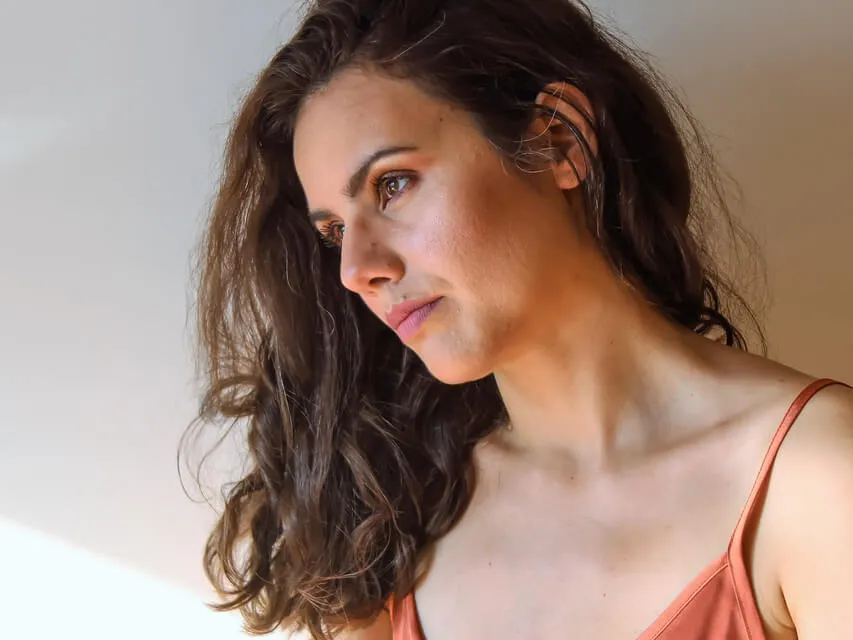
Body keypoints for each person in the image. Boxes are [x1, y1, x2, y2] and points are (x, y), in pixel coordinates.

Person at [185, 0, 853, 638]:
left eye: (392, 185)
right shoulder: (387, 515)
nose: (356, 269)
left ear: (559, 142)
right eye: (334, 231)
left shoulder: (817, 482)